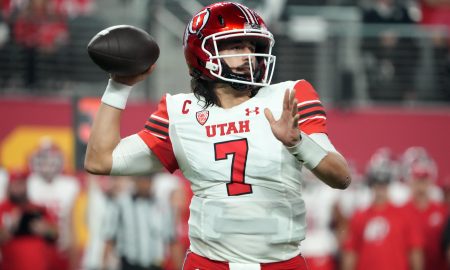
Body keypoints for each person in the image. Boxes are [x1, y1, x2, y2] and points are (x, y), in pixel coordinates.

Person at [85, 2, 351, 269]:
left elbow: (341, 177)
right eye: (236, 46)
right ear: (203, 53)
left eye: (252, 47)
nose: (249, 56)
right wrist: (119, 86)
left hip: (281, 263)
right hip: (209, 264)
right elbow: (100, 160)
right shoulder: (180, 113)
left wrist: (299, 143)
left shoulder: (288, 97)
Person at [341, 148, 424, 270]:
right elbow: (351, 253)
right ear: (371, 185)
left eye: (384, 183)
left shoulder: (405, 215)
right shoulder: (359, 216)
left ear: (389, 184)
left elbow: (415, 251)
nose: (380, 188)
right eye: (377, 182)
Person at [101, 175, 181, 270]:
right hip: (129, 264)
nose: (145, 184)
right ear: (135, 181)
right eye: (141, 179)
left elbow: (172, 240)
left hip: (155, 265)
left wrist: (180, 267)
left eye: (148, 179)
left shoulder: (162, 206)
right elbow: (110, 238)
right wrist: (104, 265)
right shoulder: (122, 204)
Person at [400, 148, 448, 270]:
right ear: (410, 181)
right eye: (417, 180)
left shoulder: (443, 211)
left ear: (430, 181)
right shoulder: (400, 212)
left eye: (424, 180)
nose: (420, 185)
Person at [0, 169, 58, 270]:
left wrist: (46, 229)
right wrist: (11, 226)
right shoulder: (2, 209)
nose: (20, 188)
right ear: (9, 186)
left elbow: (56, 233)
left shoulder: (38, 208)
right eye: (16, 184)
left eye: (22, 183)